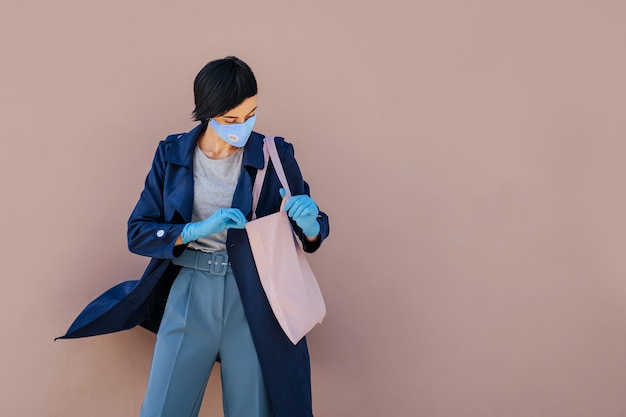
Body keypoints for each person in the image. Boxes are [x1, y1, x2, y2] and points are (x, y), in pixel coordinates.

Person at [58, 56, 329, 417]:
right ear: (207, 113)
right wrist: (194, 230)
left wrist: (310, 224)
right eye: (231, 120)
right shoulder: (172, 155)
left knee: (253, 409)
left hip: (254, 297)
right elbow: (138, 231)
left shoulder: (274, 154)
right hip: (189, 293)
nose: (243, 127)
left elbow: (311, 225)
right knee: (163, 409)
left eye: (251, 115)